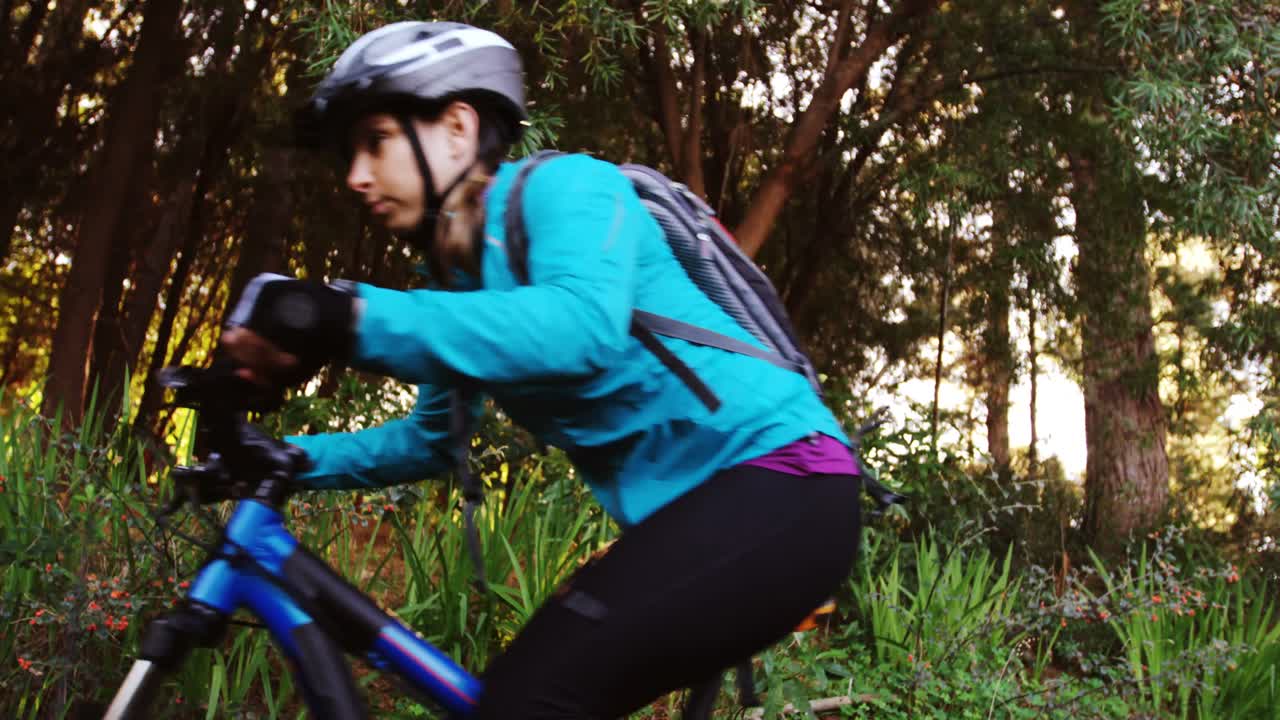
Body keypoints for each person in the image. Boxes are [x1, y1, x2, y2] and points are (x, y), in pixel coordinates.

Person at [221, 20, 862, 719]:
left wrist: (344, 315)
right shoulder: (459, 290)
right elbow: (428, 441)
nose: (356, 176)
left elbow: (578, 328)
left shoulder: (570, 190)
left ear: (458, 127)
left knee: (527, 701)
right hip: (703, 515)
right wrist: (282, 456)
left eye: (375, 142)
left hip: (786, 482)